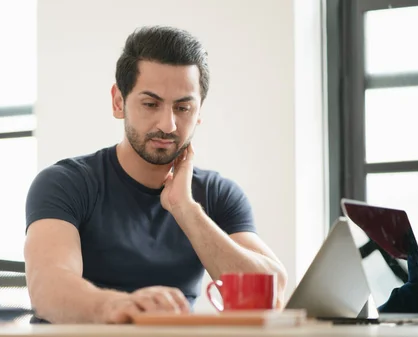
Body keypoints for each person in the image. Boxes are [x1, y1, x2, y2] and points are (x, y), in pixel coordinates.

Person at [24, 26, 287, 324]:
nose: (169, 124)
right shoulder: (66, 182)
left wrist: (186, 210)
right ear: (118, 102)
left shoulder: (216, 194)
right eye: (151, 104)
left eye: (183, 107)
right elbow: (47, 288)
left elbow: (273, 292)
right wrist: (123, 307)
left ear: (199, 111)